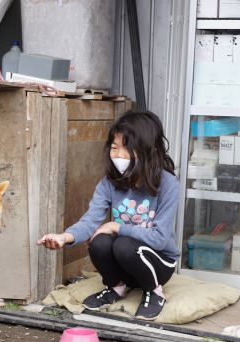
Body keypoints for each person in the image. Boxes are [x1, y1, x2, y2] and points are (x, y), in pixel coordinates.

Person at [36, 110, 180, 320]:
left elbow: (159, 239)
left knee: (122, 243)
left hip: (159, 263)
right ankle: (116, 287)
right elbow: (90, 221)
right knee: (99, 242)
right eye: (114, 148)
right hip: (127, 263)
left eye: (127, 149)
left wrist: (116, 227)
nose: (119, 155)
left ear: (148, 151)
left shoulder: (168, 184)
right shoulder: (110, 183)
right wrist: (63, 237)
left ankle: (154, 292)